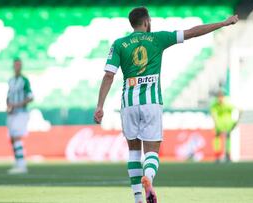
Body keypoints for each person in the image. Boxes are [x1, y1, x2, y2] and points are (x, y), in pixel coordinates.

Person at [94, 6, 238, 203]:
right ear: (146, 22)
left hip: (128, 104)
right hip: (151, 103)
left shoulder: (119, 44)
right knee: (151, 152)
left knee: (134, 153)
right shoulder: (157, 38)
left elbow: (109, 75)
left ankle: (137, 198)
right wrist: (223, 23)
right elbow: (192, 33)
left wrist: (100, 106)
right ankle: (149, 178)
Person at [6, 58, 34, 174]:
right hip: (12, 113)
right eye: (15, 65)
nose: (17, 67)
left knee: (17, 137)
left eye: (19, 65)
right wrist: (8, 106)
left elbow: (30, 97)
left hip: (21, 113)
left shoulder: (24, 80)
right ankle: (18, 161)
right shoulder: (11, 80)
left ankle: (22, 165)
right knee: (12, 139)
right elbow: (9, 96)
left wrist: (17, 105)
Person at [209, 90, 239, 162]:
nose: (220, 98)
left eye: (221, 97)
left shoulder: (228, 103)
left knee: (228, 137)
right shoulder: (214, 104)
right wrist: (215, 123)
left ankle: (228, 155)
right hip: (219, 124)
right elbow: (213, 114)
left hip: (228, 124)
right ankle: (217, 156)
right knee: (217, 137)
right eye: (218, 97)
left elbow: (239, 110)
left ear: (223, 97)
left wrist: (236, 122)